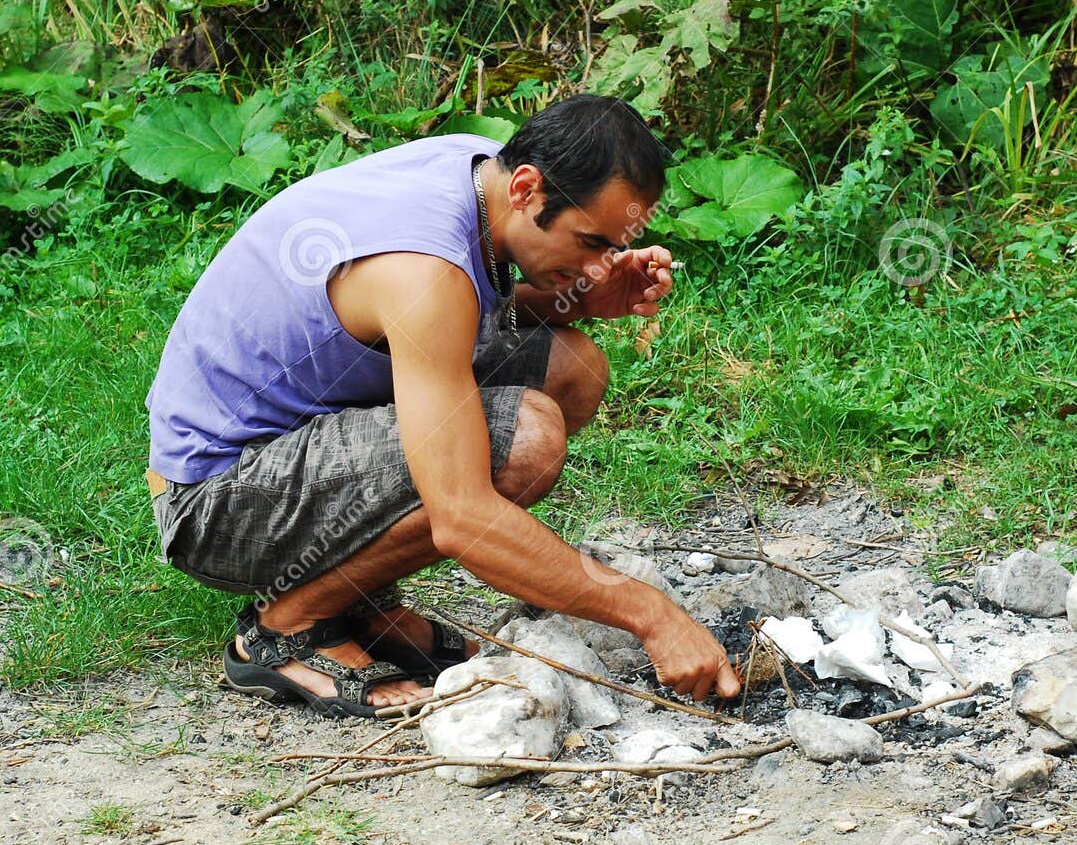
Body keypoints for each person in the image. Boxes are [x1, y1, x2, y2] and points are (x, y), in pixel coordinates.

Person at [145, 94, 740, 718]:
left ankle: (358, 604)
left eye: (612, 247)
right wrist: (653, 615)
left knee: (571, 368)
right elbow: (462, 514)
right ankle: (287, 624)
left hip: (297, 435)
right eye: (590, 242)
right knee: (524, 443)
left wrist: (582, 295)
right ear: (528, 189)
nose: (601, 263)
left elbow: (457, 316)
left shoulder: (481, 170)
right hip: (216, 502)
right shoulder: (424, 270)